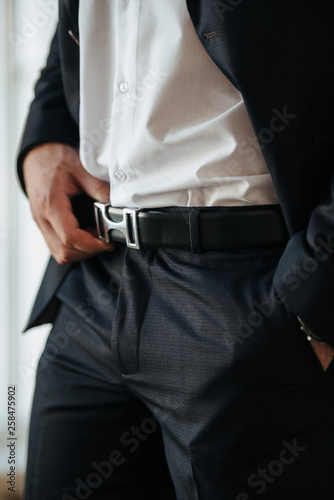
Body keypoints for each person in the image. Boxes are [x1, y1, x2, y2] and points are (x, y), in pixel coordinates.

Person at [17, 1, 334, 499]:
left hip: (251, 292)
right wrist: (44, 141)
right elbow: (84, 25)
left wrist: (315, 303)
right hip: (94, 280)